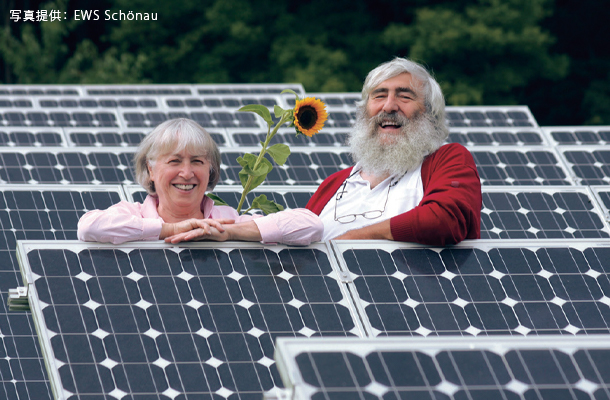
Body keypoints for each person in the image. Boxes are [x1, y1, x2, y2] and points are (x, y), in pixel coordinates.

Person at [306, 57, 481, 245]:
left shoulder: (448, 160)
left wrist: (353, 240)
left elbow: (446, 219)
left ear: (430, 113)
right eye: (379, 96)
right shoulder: (333, 184)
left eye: (405, 96)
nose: (389, 106)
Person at [78, 118, 323, 245]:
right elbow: (88, 228)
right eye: (174, 161)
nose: (186, 173)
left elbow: (310, 226)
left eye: (197, 161)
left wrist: (228, 233)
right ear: (150, 169)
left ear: (211, 171)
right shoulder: (132, 213)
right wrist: (170, 230)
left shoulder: (229, 219)